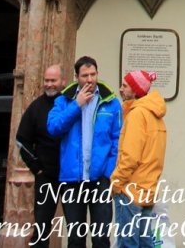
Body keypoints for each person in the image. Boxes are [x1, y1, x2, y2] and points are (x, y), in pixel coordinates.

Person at [47, 55, 122, 248]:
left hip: (100, 179)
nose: (89, 79)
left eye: (93, 74)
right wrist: (76, 105)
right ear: (76, 77)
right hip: (72, 179)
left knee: (100, 237)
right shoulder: (64, 100)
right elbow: (53, 128)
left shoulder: (111, 102)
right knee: (75, 238)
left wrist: (108, 172)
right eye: (85, 75)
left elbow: (117, 139)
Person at [111, 70, 167, 248]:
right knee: (145, 243)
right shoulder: (156, 116)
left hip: (130, 191)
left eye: (125, 86)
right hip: (147, 190)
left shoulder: (137, 115)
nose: (121, 89)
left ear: (135, 91)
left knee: (127, 243)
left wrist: (116, 183)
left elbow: (130, 157)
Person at [16, 64, 64, 246]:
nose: (49, 84)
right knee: (42, 228)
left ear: (63, 82)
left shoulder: (72, 104)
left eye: (53, 80)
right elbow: (22, 139)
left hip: (70, 175)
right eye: (47, 80)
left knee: (76, 226)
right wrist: (37, 169)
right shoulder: (36, 107)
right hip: (46, 176)